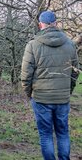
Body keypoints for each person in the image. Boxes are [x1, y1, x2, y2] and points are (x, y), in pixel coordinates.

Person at [21, 11, 79, 160]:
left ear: (41, 24)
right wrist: (68, 90)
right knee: (62, 132)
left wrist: (29, 93)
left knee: (46, 134)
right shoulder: (70, 44)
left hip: (41, 98)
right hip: (62, 98)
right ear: (55, 23)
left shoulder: (32, 45)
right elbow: (75, 73)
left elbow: (26, 75)